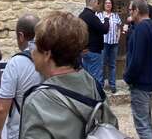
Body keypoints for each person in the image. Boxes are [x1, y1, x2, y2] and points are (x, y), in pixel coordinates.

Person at [20, 11, 118, 139]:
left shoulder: (36, 101)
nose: (31, 51)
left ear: (47, 54)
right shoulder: (92, 83)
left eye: (35, 45)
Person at [0, 14, 43, 139]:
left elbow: (1, 108)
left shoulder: (16, 63)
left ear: (21, 36)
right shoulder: (54, 59)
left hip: (21, 130)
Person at [124, 0, 152, 139]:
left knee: (142, 126)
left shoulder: (141, 28)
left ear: (137, 11)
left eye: (130, 10)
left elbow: (137, 59)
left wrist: (128, 77)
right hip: (150, 80)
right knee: (146, 120)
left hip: (140, 83)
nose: (129, 13)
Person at [79, 0, 109, 83]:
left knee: (87, 76)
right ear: (94, 3)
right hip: (93, 51)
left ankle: (88, 95)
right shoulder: (91, 16)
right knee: (96, 77)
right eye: (97, 3)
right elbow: (104, 29)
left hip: (85, 50)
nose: (98, 5)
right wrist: (106, 19)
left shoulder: (81, 15)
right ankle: (97, 96)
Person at [96, 0, 122, 93]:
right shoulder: (98, 15)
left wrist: (118, 37)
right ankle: (101, 84)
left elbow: (119, 27)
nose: (108, 4)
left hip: (114, 43)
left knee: (112, 65)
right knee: (102, 64)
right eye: (106, 3)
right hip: (103, 43)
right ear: (104, 4)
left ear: (112, 5)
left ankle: (112, 85)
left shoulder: (115, 15)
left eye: (110, 3)